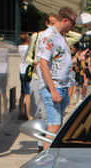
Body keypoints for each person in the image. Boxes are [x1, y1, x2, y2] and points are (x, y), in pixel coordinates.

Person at [37, 6, 78, 142]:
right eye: (73, 23)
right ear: (66, 20)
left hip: (62, 86)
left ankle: (52, 158)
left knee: (57, 126)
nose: (73, 27)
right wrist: (53, 90)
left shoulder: (60, 36)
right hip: (53, 87)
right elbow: (43, 64)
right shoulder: (49, 36)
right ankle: (48, 159)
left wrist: (78, 59)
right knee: (53, 127)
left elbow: (59, 61)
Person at [25, 13, 57, 121]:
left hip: (50, 78)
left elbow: (77, 37)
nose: (54, 26)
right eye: (52, 23)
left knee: (45, 114)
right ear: (46, 23)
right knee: (34, 113)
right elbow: (27, 57)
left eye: (56, 23)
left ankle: (42, 137)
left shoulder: (57, 37)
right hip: (36, 76)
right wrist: (34, 62)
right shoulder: (36, 36)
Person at [18, 32, 31, 120]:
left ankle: (20, 112)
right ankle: (27, 113)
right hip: (27, 70)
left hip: (21, 70)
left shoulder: (19, 47)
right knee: (28, 94)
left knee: (22, 93)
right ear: (27, 39)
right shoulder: (28, 48)